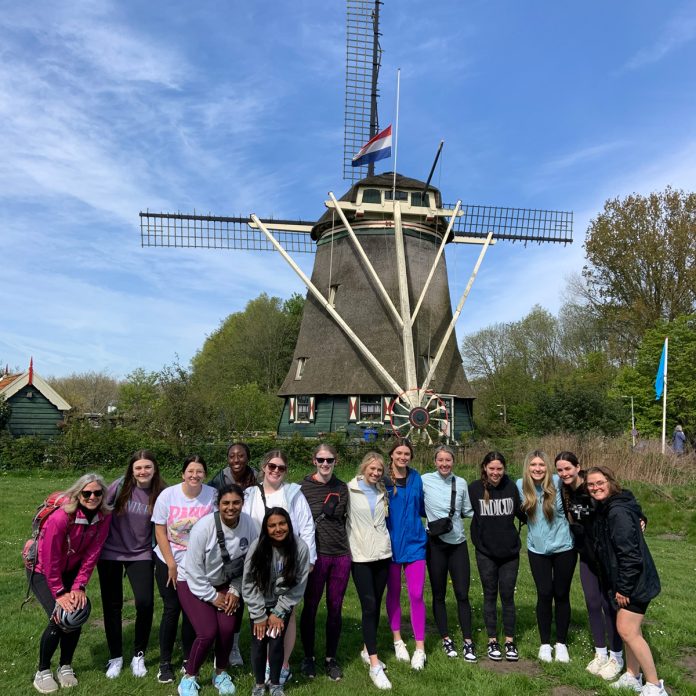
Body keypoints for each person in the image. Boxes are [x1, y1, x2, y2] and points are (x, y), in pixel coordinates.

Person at [586, 466, 666, 696]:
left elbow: (630, 555)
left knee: (627, 629)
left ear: (610, 482)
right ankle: (633, 676)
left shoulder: (617, 512)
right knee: (629, 630)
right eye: (591, 485)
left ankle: (654, 686)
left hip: (634, 581)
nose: (595, 488)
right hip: (626, 580)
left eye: (600, 483)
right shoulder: (610, 505)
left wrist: (624, 587)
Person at [29, 473, 112, 694]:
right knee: (59, 617)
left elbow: (93, 554)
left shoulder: (104, 516)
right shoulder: (61, 518)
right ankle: (43, 671)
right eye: (87, 493)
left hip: (72, 571)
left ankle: (65, 666)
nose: (92, 496)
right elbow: (49, 559)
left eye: (97, 492)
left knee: (76, 614)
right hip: (42, 571)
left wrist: (79, 587)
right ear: (78, 494)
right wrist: (59, 592)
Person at [176, 484, 260, 696]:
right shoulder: (204, 528)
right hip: (192, 581)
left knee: (226, 629)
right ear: (218, 504)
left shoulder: (250, 524)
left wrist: (235, 590)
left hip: (227, 583)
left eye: (236, 503)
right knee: (207, 632)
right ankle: (189, 677)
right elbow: (193, 569)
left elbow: (252, 562)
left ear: (242, 503)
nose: (231, 507)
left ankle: (220, 673)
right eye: (226, 503)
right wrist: (213, 596)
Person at [243, 450, 316, 685]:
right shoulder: (251, 494)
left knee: (288, 611)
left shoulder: (293, 493)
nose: (275, 471)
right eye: (272, 466)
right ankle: (264, 662)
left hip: (289, 558)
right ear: (264, 467)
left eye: (281, 468)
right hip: (259, 559)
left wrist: (309, 560)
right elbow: (244, 526)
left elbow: (306, 526)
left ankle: (282, 663)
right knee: (260, 611)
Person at [98, 450, 166, 680]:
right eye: (138, 468)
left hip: (141, 553)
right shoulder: (119, 487)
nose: (143, 471)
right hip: (111, 553)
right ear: (132, 470)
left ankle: (139, 654)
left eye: (147, 467)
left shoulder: (162, 492)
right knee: (112, 605)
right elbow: (95, 507)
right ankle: (115, 656)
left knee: (145, 603)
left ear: (154, 469)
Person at [556, 451, 624, 680]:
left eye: (568, 468)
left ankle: (617, 656)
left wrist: (641, 516)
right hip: (586, 556)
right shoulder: (565, 490)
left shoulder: (592, 486)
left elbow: (622, 498)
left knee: (609, 605)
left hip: (606, 557)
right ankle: (601, 653)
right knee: (593, 604)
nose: (564, 473)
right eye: (560, 469)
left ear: (577, 467)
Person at [152, 455, 217, 684]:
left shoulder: (211, 495)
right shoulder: (167, 495)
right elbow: (160, 531)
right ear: (183, 473)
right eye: (190, 471)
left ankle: (189, 659)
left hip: (198, 564)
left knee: (193, 612)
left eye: (199, 471)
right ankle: (164, 663)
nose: (194, 475)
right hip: (168, 559)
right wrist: (171, 564)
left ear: (205, 475)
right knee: (172, 609)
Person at [243, 508, 310, 696]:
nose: (278, 529)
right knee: (258, 640)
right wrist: (258, 614)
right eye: (272, 525)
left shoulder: (300, 548)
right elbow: (248, 583)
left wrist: (279, 613)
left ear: (289, 524)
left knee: (276, 641)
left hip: (282, 602)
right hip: (259, 601)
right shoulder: (257, 547)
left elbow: (298, 585)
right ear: (266, 528)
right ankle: (258, 685)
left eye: (282, 523)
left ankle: (275, 684)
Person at [517, 450, 575, 663]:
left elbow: (586, 482)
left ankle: (561, 643)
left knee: (561, 593)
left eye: (542, 464)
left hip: (564, 548)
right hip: (537, 550)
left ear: (548, 467)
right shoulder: (520, 486)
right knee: (544, 593)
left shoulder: (560, 483)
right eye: (533, 464)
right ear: (528, 467)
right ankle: (544, 644)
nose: (538, 469)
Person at [299, 444, 350, 681]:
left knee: (335, 607)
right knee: (310, 606)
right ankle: (308, 657)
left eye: (329, 460)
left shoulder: (342, 488)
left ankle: (331, 658)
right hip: (315, 556)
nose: (325, 464)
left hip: (340, 554)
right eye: (321, 460)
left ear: (335, 461)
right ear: (314, 461)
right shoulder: (302, 487)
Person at [468, 451, 525, 662]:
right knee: (489, 594)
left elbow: (523, 512)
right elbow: (464, 511)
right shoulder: (474, 488)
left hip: (509, 552)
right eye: (491, 468)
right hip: (485, 552)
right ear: (484, 468)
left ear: (504, 469)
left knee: (508, 596)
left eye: (499, 469)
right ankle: (492, 640)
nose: (495, 473)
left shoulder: (512, 487)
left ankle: (509, 641)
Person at [422, 445, 476, 661]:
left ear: (453, 461)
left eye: (448, 460)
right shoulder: (425, 480)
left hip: (457, 544)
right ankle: (446, 638)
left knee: (462, 594)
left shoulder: (461, 483)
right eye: (440, 460)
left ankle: (468, 641)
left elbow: (470, 511)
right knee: (439, 594)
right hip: (435, 545)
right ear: (435, 461)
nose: (444, 464)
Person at [208, 442, 260, 667]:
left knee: (241, 596)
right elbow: (211, 506)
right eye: (232, 456)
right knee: (220, 593)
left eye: (241, 456)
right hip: (223, 543)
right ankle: (213, 640)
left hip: (248, 538)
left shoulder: (256, 477)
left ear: (248, 457)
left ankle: (234, 644)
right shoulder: (220, 479)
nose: (236, 460)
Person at [347, 451, 392, 690]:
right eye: (372, 469)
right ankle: (375, 665)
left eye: (379, 471)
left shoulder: (382, 491)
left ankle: (367, 650)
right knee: (369, 605)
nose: (375, 473)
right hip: (361, 555)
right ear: (364, 468)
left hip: (382, 554)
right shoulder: (350, 490)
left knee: (376, 602)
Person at [383, 439, 428, 670]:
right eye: (399, 453)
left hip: (415, 544)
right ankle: (398, 640)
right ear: (391, 455)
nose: (403, 457)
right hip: (390, 546)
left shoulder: (417, 478)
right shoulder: (382, 479)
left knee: (416, 593)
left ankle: (420, 648)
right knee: (394, 592)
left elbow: (422, 507)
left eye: (407, 453)